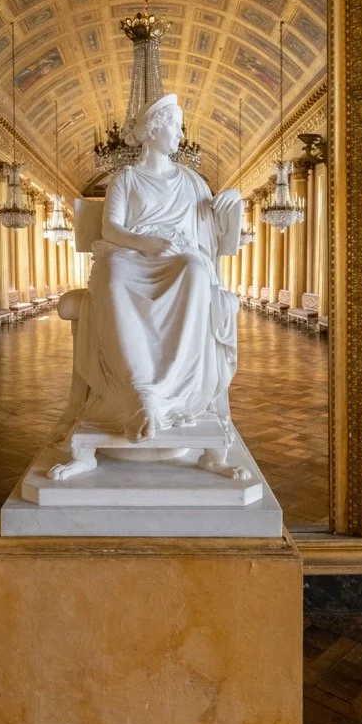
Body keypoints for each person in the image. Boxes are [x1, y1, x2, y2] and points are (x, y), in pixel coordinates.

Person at [50, 93, 247, 479]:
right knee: (112, 275)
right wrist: (145, 243)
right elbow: (111, 229)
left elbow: (216, 230)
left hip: (177, 258)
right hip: (131, 254)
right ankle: (141, 394)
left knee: (194, 269)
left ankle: (167, 391)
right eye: (175, 126)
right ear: (155, 131)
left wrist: (233, 200)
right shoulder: (126, 178)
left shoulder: (192, 182)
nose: (180, 133)